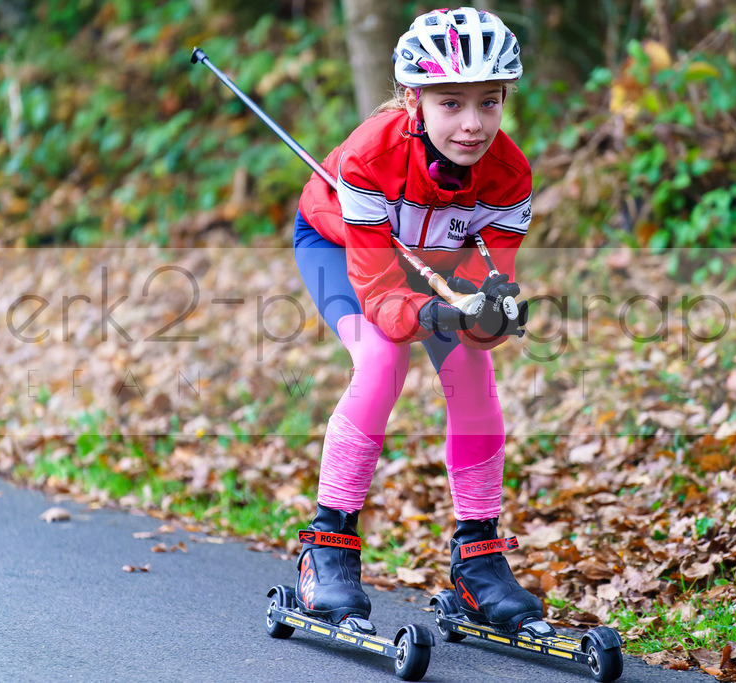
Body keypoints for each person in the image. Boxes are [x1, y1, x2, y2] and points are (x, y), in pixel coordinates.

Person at [292, 7, 545, 635]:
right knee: (383, 360)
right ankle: (327, 546)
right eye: (451, 102)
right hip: (343, 251)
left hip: (433, 263)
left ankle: (477, 560)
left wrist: (490, 316)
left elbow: (490, 282)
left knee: (472, 371)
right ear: (415, 98)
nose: (471, 123)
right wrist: (432, 312)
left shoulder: (509, 176)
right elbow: (379, 290)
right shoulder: (370, 156)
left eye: (490, 103)